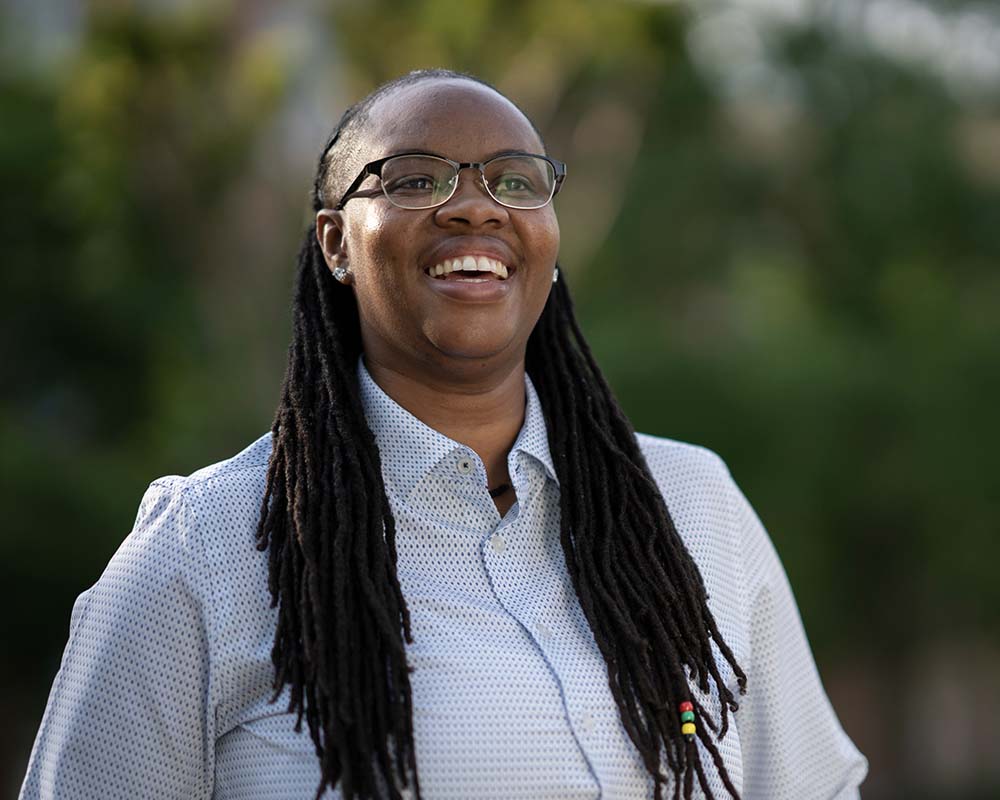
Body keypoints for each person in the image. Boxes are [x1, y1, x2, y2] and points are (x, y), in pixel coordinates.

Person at [19, 69, 867, 800]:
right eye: (417, 181)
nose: (475, 209)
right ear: (334, 245)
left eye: (515, 180)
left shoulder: (694, 506)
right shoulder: (205, 551)